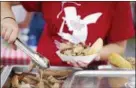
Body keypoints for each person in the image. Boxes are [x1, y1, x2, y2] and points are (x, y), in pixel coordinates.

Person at [1, 2, 134, 67]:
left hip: (91, 74)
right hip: (45, 68)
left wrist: (93, 54)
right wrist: (8, 19)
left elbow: (119, 46)